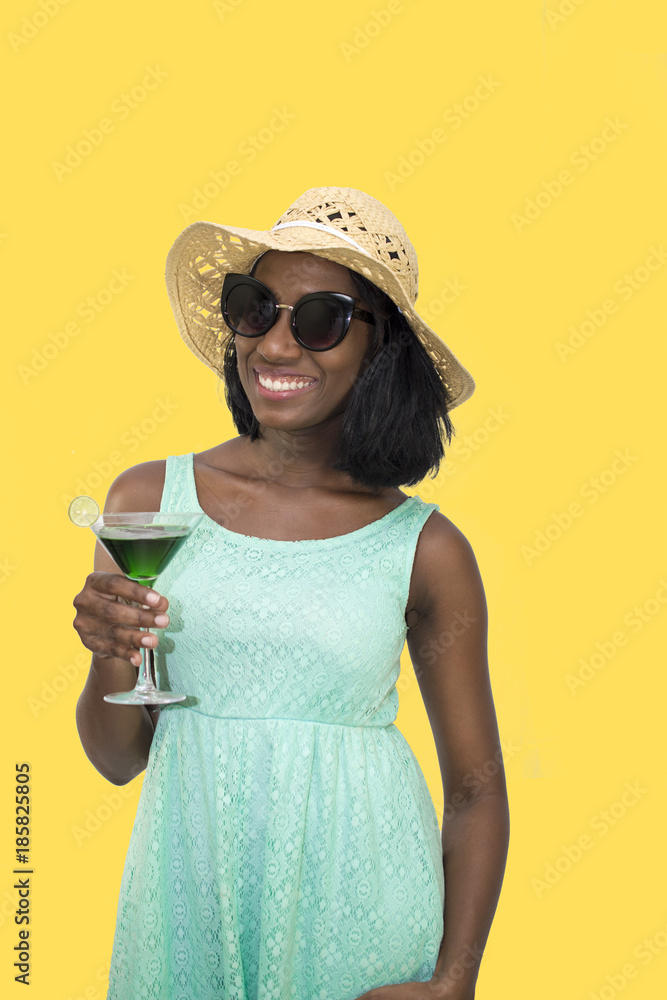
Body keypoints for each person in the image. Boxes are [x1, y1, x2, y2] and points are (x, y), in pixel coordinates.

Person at [73, 186, 510, 1000]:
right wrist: (110, 655)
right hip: (187, 911)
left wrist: (454, 983)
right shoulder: (146, 504)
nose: (275, 344)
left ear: (378, 349)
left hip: (362, 921)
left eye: (320, 320)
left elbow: (476, 790)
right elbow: (116, 759)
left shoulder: (425, 548)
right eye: (255, 309)